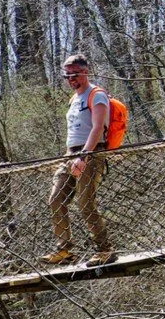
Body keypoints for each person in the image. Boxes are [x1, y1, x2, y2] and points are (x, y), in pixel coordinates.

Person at [45, 52, 116, 267]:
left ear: (85, 72)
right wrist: (72, 157)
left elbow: (97, 127)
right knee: (56, 199)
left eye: (74, 75)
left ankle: (105, 250)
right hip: (70, 155)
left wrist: (84, 156)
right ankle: (64, 249)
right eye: (67, 76)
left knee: (85, 203)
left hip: (91, 154)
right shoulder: (73, 99)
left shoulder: (97, 94)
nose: (70, 80)